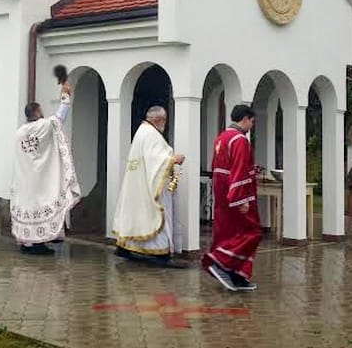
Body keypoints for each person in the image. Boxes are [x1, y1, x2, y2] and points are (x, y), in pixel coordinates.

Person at [112, 106, 187, 268]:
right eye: (164, 120)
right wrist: (174, 160)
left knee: (136, 217)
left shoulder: (141, 131)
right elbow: (157, 160)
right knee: (156, 215)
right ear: (159, 119)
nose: (165, 124)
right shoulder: (151, 134)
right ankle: (161, 253)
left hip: (138, 184)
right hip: (148, 187)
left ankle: (125, 247)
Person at [11, 83, 81, 255]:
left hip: (24, 181)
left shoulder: (20, 132)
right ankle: (38, 244)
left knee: (29, 207)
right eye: (40, 110)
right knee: (40, 205)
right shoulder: (42, 125)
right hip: (40, 180)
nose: (42, 113)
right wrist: (65, 95)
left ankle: (26, 243)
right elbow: (60, 116)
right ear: (36, 112)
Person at [203, 104, 261, 292]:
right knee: (252, 232)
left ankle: (237, 275)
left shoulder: (222, 138)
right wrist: (240, 200)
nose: (252, 126)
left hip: (222, 193)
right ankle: (221, 262)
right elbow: (237, 171)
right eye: (252, 122)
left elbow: (220, 168)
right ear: (245, 119)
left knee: (230, 232)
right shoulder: (240, 140)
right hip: (237, 195)